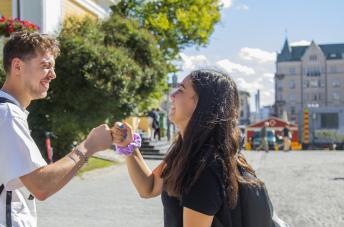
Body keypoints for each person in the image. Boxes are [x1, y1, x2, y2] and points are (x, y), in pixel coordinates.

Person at [0, 32, 113, 227]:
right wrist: (89, 146)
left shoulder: (1, 112)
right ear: (17, 66)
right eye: (45, 66)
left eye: (53, 67)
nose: (53, 74)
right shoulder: (6, 116)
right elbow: (41, 186)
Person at [112, 69, 281, 227]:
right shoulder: (184, 152)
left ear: (201, 105)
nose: (172, 96)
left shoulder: (203, 168)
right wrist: (129, 147)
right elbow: (148, 187)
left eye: (181, 90)